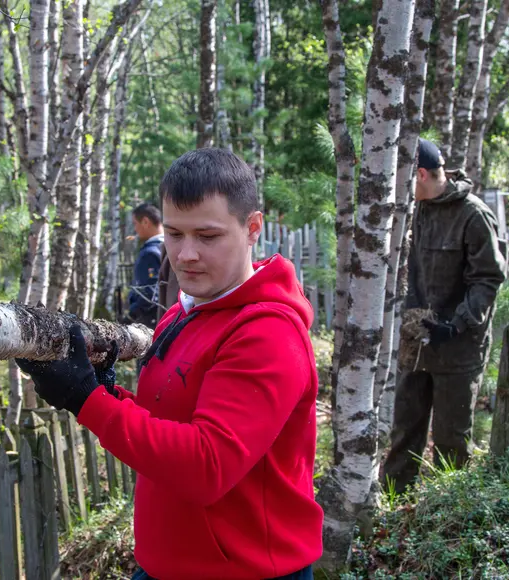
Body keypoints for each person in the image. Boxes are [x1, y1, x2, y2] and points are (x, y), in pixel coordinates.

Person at [17, 148, 323, 580]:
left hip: (246, 571)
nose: (186, 255)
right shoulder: (185, 312)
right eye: (175, 234)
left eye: (208, 235)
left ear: (252, 227)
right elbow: (170, 423)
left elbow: (206, 466)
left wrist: (87, 401)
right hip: (167, 563)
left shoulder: (268, 333)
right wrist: (103, 392)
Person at [380, 138, 506, 494]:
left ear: (420, 174)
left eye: (403, 179)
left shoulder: (473, 215)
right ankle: (392, 505)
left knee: (452, 440)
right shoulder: (413, 210)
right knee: (405, 430)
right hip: (416, 335)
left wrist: (458, 324)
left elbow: (488, 278)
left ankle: (449, 516)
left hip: (459, 343)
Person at [125, 203, 165, 330]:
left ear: (146, 222)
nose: (135, 229)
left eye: (135, 223)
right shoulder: (169, 246)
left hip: (150, 321)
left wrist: (132, 315)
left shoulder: (150, 252)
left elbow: (150, 293)